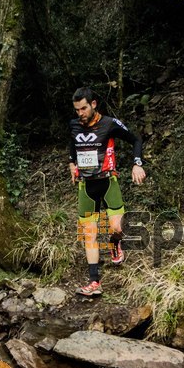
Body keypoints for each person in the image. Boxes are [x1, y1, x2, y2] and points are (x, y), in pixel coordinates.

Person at [68, 87, 146, 296]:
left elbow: (135, 139)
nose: (80, 114)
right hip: (86, 186)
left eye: (83, 108)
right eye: (77, 110)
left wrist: (137, 164)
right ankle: (95, 282)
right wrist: (72, 163)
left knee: (117, 229)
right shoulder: (74, 125)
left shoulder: (109, 124)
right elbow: (73, 147)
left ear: (93, 105)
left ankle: (114, 244)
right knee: (89, 233)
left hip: (108, 182)